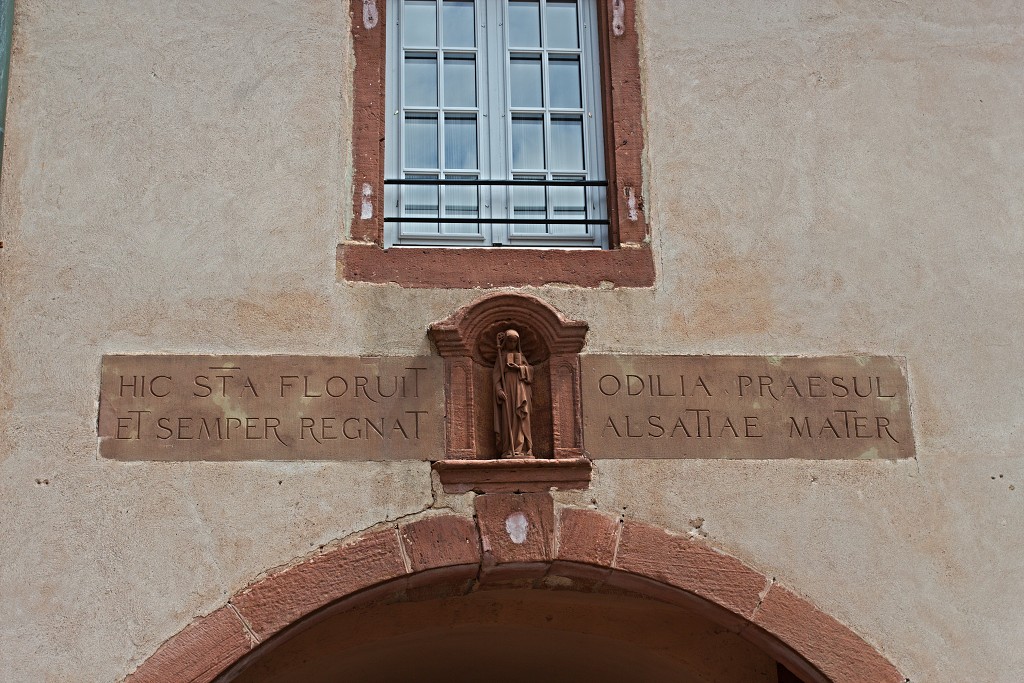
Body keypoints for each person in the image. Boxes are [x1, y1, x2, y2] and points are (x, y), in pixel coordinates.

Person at [492, 329, 533, 458]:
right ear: (505, 342)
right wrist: (499, 390)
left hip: (521, 390)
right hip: (508, 391)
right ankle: (508, 449)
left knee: (521, 417)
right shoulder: (502, 356)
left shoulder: (521, 356)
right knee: (507, 418)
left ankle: (521, 448)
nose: (512, 344)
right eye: (510, 341)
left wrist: (519, 368)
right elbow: (495, 377)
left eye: (515, 341)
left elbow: (531, 371)